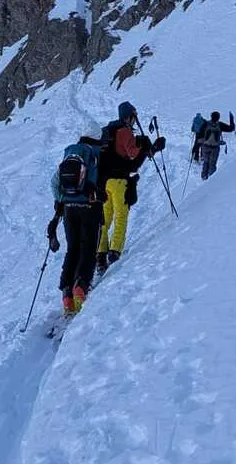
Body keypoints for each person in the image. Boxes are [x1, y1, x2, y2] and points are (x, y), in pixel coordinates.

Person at [96, 101, 164, 273]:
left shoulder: (108, 131)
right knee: (120, 216)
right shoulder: (124, 131)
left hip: (104, 182)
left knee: (105, 218)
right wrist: (146, 146)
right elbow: (132, 155)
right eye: (134, 116)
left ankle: (100, 254)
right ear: (129, 116)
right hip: (119, 181)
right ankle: (114, 251)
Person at [48, 130, 104, 316]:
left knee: (72, 249)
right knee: (88, 249)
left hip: (69, 209)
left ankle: (66, 294)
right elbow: (98, 183)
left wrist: (63, 198)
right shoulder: (94, 154)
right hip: (89, 207)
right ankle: (81, 286)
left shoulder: (70, 153)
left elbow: (54, 182)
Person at [196, 111, 235, 180]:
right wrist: (231, 119)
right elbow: (231, 128)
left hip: (205, 146)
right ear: (218, 117)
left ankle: (204, 176)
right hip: (215, 148)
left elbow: (199, 133)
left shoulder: (206, 124)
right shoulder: (220, 124)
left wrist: (199, 143)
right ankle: (212, 179)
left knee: (206, 162)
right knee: (212, 164)